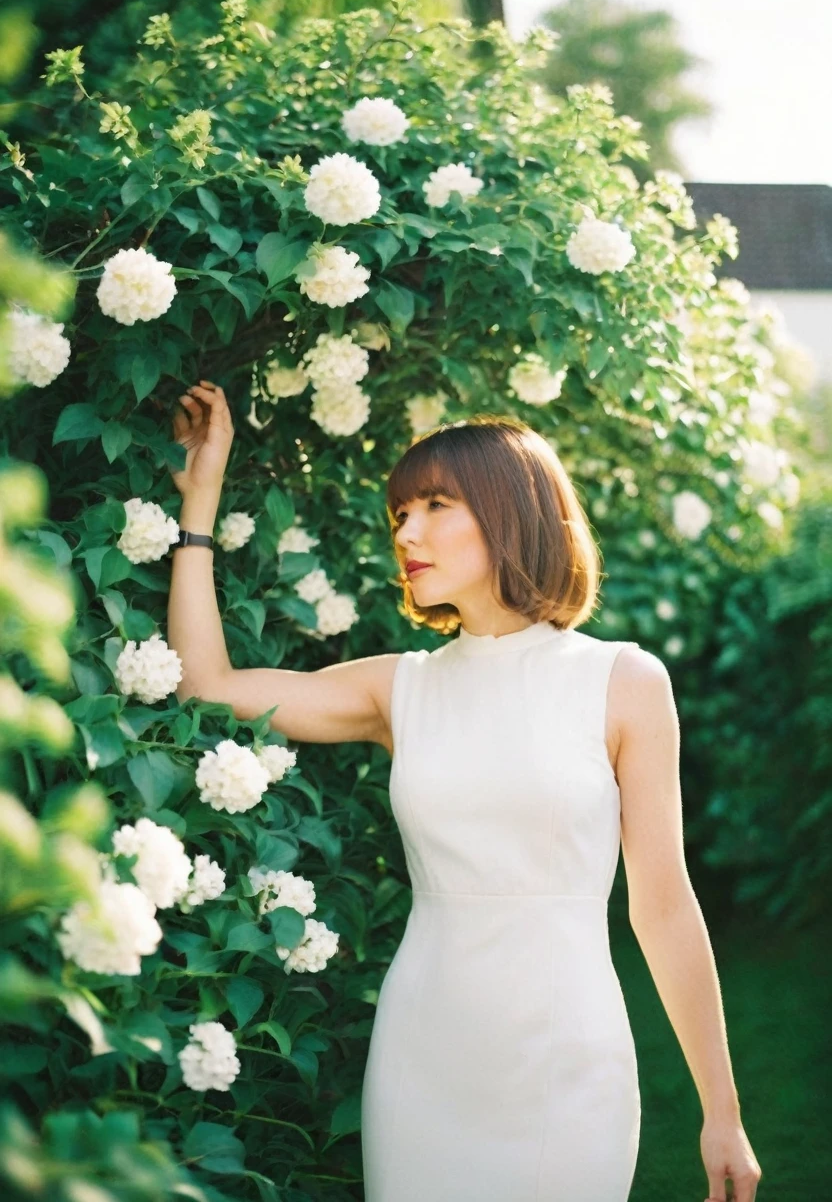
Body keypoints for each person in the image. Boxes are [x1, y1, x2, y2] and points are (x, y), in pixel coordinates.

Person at [168, 379, 763, 1202]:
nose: (406, 533)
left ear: (509, 511)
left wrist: (721, 1114)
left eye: (434, 506)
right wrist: (200, 501)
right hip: (423, 1062)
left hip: (568, 1061)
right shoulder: (397, 688)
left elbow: (663, 906)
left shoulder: (623, 681)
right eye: (400, 515)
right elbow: (204, 684)